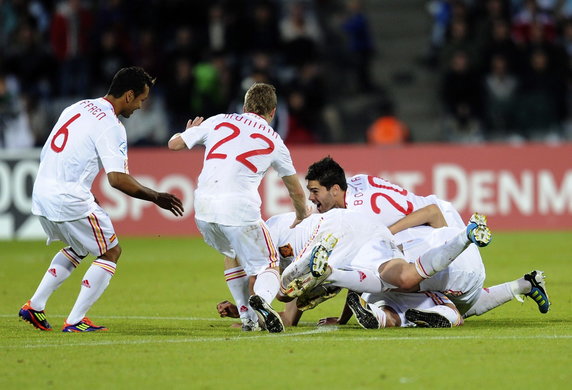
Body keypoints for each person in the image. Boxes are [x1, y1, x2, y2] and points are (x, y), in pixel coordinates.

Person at [19, 67, 184, 332]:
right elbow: (117, 179)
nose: (141, 106)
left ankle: (35, 306)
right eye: (141, 99)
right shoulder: (111, 126)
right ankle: (75, 321)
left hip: (42, 193)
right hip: (68, 198)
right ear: (128, 96)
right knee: (111, 251)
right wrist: (156, 197)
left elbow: (51, 150)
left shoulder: (78, 107)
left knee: (80, 246)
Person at [168, 82, 309, 333]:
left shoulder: (217, 121)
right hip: (239, 208)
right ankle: (262, 302)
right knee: (268, 264)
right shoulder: (274, 140)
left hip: (203, 208)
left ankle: (247, 317)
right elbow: (295, 190)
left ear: (244, 106)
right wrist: (301, 214)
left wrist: (188, 132)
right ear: (273, 112)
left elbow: (174, 145)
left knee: (232, 250)